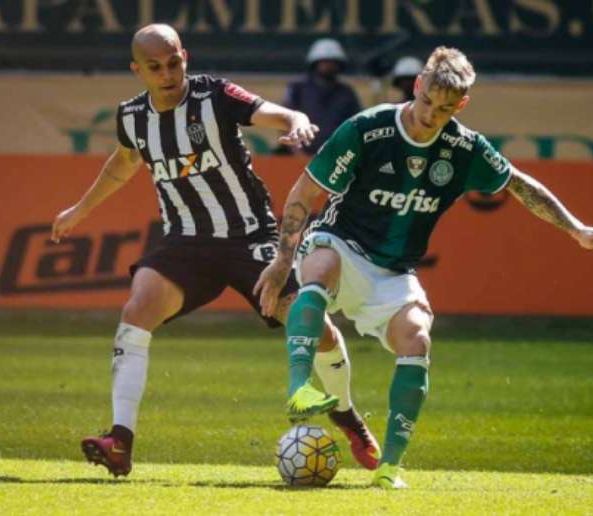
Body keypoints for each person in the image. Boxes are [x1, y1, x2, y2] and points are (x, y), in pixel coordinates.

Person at [254, 46, 593, 489]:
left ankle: (389, 467)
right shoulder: (367, 129)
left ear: (460, 104)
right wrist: (281, 259)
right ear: (419, 83)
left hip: (394, 272)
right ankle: (299, 387)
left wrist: (576, 228)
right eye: (427, 100)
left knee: (418, 338)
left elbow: (521, 186)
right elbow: (304, 192)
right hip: (341, 242)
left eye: (445, 108)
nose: (431, 113)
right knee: (322, 267)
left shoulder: (464, 148)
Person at [50, 24, 380, 478]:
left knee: (315, 326)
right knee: (136, 309)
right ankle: (120, 441)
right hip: (185, 242)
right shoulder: (132, 117)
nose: (167, 74)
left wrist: (296, 121)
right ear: (137, 70)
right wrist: (80, 210)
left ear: (184, 56)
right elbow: (126, 161)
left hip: (251, 237)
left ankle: (347, 416)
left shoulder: (214, 96)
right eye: (155, 68)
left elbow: (271, 112)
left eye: (174, 63)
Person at [282, 38, 361, 155]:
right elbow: (284, 121)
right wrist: (298, 154)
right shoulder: (298, 88)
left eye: (332, 62)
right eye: (324, 62)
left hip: (335, 157)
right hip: (300, 157)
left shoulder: (346, 92)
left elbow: (356, 126)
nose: (328, 66)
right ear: (314, 63)